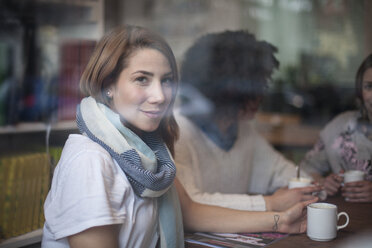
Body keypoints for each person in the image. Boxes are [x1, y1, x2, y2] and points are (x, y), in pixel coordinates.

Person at [41, 25, 317, 248]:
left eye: (167, 80)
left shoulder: (150, 151)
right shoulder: (90, 160)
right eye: (142, 79)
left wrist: (279, 221)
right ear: (108, 85)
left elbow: (191, 212)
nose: (160, 96)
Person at [174, 30, 320, 212]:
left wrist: (314, 186)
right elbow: (189, 202)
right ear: (220, 92)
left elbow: (281, 171)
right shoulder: (178, 132)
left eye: (261, 86)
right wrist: (270, 203)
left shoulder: (243, 129)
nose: (259, 97)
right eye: (247, 91)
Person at [300, 53, 372, 202]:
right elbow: (304, 170)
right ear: (360, 91)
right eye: (369, 87)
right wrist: (322, 183)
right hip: (345, 219)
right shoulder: (339, 128)